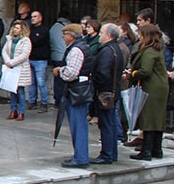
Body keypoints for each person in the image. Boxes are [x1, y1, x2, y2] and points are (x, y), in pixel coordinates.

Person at [127, 23, 169, 161]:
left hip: (152, 87)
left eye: (141, 35)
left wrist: (132, 74)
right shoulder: (156, 50)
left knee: (149, 119)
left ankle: (146, 151)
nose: (139, 37)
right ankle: (156, 149)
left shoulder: (149, 51)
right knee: (157, 118)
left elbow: (145, 70)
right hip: (159, 87)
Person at [90, 23, 129, 164]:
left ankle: (107, 154)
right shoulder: (116, 48)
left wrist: (95, 84)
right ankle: (111, 153)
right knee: (110, 123)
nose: (100, 35)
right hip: (113, 91)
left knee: (107, 123)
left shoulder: (107, 51)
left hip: (106, 92)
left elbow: (102, 73)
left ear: (109, 35)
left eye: (101, 33)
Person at [57, 23, 94, 168]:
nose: (62, 37)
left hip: (77, 91)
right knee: (78, 125)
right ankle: (79, 155)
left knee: (78, 125)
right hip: (80, 89)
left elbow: (72, 73)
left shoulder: (76, 50)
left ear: (71, 36)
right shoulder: (81, 47)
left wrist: (60, 71)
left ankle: (81, 157)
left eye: (64, 34)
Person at [1, 19, 32, 121]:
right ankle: (13, 110)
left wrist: (12, 62)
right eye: (14, 27)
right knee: (12, 90)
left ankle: (21, 112)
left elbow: (24, 55)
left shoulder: (26, 41)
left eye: (17, 28)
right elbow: (4, 51)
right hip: (11, 68)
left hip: (20, 68)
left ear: (22, 30)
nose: (15, 30)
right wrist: (8, 61)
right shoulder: (10, 39)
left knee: (20, 91)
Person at [27, 10, 50, 112]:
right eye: (32, 17)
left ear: (40, 18)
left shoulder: (44, 30)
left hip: (40, 60)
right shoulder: (29, 29)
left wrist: (28, 38)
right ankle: (32, 101)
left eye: (35, 16)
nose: (32, 18)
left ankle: (44, 103)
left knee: (41, 82)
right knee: (31, 82)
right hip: (30, 58)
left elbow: (34, 41)